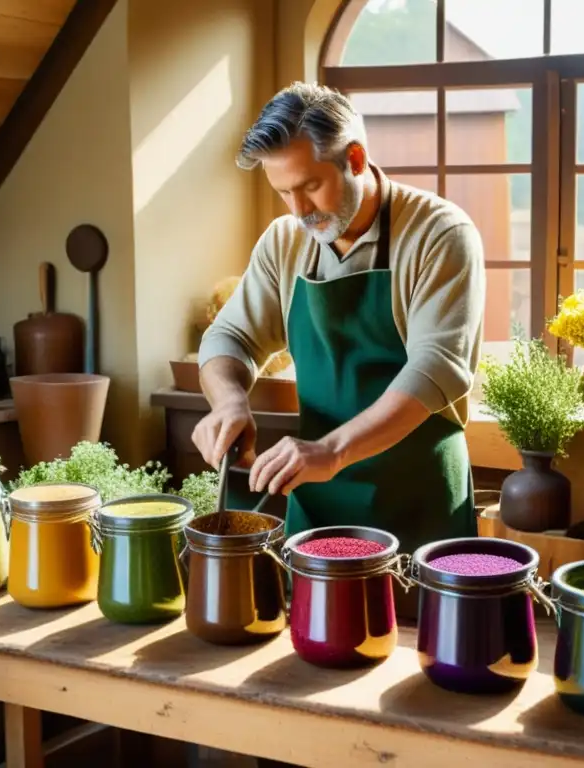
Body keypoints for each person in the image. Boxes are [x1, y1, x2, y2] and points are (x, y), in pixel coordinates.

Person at [192, 82, 485, 573]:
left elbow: (436, 369)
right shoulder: (284, 241)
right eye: (284, 192)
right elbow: (230, 338)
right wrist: (229, 400)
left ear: (354, 157)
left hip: (417, 500)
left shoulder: (440, 233)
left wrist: (331, 450)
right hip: (318, 502)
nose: (299, 210)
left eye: (309, 186)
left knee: (429, 646)